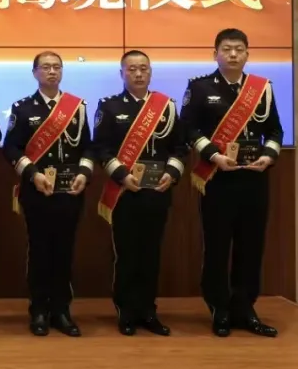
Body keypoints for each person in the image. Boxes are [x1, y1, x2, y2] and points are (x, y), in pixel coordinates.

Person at [180, 27, 283, 338]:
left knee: (251, 245)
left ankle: (245, 307)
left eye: (239, 49)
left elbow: (275, 131)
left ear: (247, 54)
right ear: (216, 54)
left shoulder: (261, 88)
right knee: (217, 245)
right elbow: (189, 129)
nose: (233, 54)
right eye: (227, 49)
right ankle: (219, 308)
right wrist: (213, 155)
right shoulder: (199, 87)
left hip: (254, 178)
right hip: (217, 178)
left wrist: (269, 155)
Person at [94, 50, 185, 336]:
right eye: (132, 69)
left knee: (151, 254)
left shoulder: (166, 106)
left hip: (157, 191)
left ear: (150, 72)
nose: (138, 73)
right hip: (124, 192)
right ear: (122, 73)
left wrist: (172, 173)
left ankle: (148, 310)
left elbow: (179, 147)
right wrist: (121, 175)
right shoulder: (109, 106)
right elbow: (101, 149)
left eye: (143, 68)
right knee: (127, 254)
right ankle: (126, 310)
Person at [3, 51, 93, 337]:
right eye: (45, 67)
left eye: (56, 67)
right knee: (40, 251)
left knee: (64, 251)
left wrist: (84, 172)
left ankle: (62, 311)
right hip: (37, 190)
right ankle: (39, 310)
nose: (52, 72)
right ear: (35, 73)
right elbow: (11, 148)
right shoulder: (23, 108)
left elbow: (87, 147)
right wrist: (33, 173)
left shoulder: (76, 107)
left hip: (70, 191)